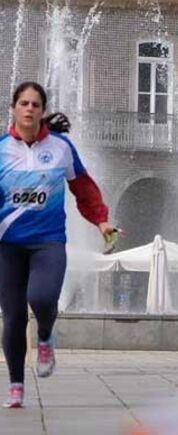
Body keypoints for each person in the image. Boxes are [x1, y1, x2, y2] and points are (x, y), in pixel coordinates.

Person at [0, 82, 115, 409]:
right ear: (13, 108)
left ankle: (46, 335)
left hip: (48, 241)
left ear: (42, 110)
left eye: (35, 104)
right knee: (13, 316)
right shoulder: (2, 149)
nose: (29, 109)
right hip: (7, 245)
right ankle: (16, 386)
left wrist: (101, 221)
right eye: (23, 103)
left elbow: (84, 189)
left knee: (42, 297)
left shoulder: (61, 147)